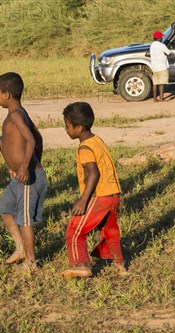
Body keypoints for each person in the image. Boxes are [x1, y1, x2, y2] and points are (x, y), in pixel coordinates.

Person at [62, 102, 126, 278]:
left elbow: (93, 174)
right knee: (110, 230)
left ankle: (80, 264)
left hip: (99, 196)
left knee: (75, 230)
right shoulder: (97, 140)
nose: (66, 130)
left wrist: (83, 200)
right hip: (113, 194)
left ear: (79, 127)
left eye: (67, 126)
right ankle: (120, 264)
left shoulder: (85, 148)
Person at [0, 72, 47, 273]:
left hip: (27, 178)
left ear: (6, 95)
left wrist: (26, 167)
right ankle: (21, 249)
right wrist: (14, 164)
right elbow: (38, 137)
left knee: (25, 220)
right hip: (19, 175)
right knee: (5, 208)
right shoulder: (18, 113)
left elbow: (32, 141)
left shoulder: (16, 115)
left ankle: (31, 262)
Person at [150, 31, 172, 102]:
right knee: (161, 83)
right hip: (162, 66)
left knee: (155, 83)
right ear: (159, 38)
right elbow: (169, 53)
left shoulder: (152, 45)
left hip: (154, 67)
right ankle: (161, 98)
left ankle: (154, 98)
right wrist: (165, 54)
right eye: (161, 37)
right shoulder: (162, 45)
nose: (162, 38)